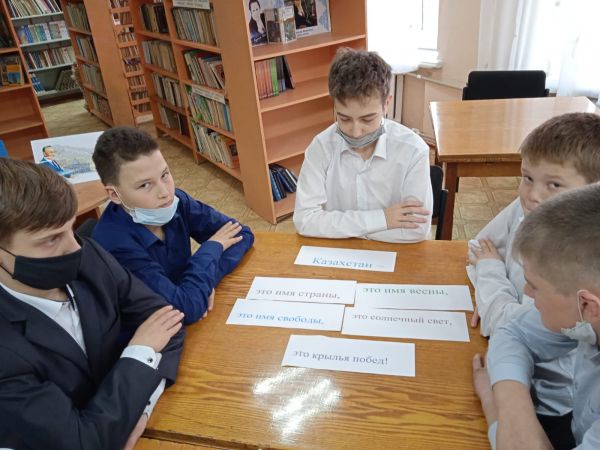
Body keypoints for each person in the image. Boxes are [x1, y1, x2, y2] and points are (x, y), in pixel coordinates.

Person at [0, 158, 184, 449]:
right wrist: (140, 352)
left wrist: (142, 409)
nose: (76, 247)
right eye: (51, 239)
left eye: (71, 227)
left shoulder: (89, 257)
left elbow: (167, 321)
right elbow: (83, 443)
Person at [469, 113, 600, 449]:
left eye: (535, 287)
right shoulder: (583, 314)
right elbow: (514, 332)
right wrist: (509, 401)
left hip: (556, 410)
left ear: (589, 306)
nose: (527, 292)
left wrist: (496, 405)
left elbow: (506, 325)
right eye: (527, 178)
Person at [92, 126, 254, 325]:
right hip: (150, 334)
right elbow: (184, 311)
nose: (165, 192)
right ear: (115, 194)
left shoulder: (176, 201)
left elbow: (243, 234)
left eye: (165, 175)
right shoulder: (114, 245)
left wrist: (201, 284)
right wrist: (212, 250)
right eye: (145, 185)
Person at [293, 48, 432, 243]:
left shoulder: (413, 150)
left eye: (367, 119)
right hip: (337, 255)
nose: (356, 132)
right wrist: (383, 219)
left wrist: (336, 227)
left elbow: (416, 230)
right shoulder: (320, 147)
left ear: (386, 104)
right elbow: (305, 221)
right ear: (334, 105)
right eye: (344, 118)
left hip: (395, 255)